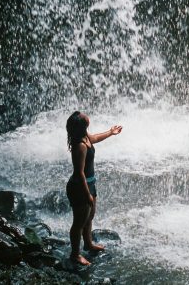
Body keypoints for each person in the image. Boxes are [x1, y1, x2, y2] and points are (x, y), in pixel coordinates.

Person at [66, 110, 122, 265]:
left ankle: (88, 243)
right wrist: (87, 194)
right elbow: (79, 174)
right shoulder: (80, 146)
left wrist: (111, 132)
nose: (83, 113)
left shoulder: (85, 137)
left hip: (89, 183)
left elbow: (96, 137)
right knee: (78, 223)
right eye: (82, 115)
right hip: (79, 187)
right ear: (82, 124)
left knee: (89, 217)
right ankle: (75, 255)